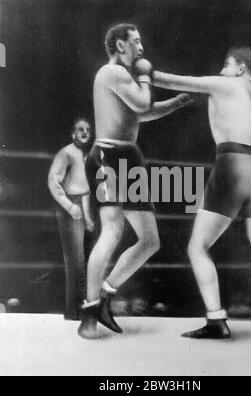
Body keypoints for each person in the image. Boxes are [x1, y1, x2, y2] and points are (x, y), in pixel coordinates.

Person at [150, 47, 251, 338]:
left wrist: (139, 71)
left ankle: (216, 321)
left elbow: (172, 81)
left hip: (231, 166)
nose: (220, 71)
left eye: (226, 65)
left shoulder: (227, 85)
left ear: (241, 68)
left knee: (197, 246)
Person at [78, 23, 193, 339]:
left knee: (150, 241)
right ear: (119, 45)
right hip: (109, 156)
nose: (142, 48)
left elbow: (139, 114)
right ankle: (88, 313)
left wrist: (177, 103)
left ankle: (104, 296)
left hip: (127, 157)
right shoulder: (112, 73)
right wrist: (145, 75)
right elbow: (142, 103)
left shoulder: (123, 79)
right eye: (136, 42)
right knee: (113, 231)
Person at [48, 117, 95, 320]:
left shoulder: (88, 155)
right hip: (69, 207)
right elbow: (53, 180)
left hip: (83, 206)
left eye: (87, 129)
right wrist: (69, 206)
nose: (84, 132)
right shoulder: (66, 153)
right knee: (76, 262)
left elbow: (84, 188)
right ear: (73, 133)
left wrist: (88, 216)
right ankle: (74, 313)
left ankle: (83, 310)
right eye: (80, 129)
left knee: (86, 261)